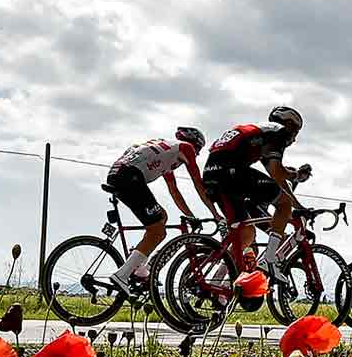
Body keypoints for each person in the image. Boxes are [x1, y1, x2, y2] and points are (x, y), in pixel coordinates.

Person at [105, 128, 220, 286]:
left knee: (162, 217)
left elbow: (174, 191)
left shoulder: (167, 152)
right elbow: (198, 184)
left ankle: (139, 266)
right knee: (158, 231)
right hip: (130, 176)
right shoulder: (186, 148)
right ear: (195, 144)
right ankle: (122, 275)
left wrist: (191, 216)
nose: (197, 154)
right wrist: (216, 214)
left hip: (120, 174)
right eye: (198, 150)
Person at [200, 106, 304, 281]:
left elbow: (276, 177)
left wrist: (296, 196)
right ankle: (270, 259)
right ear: (288, 124)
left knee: (246, 233)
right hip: (231, 173)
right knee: (283, 204)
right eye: (296, 132)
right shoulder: (279, 133)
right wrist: (295, 184)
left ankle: (217, 283)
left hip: (211, 176)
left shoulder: (260, 135)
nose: (294, 139)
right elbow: (276, 171)